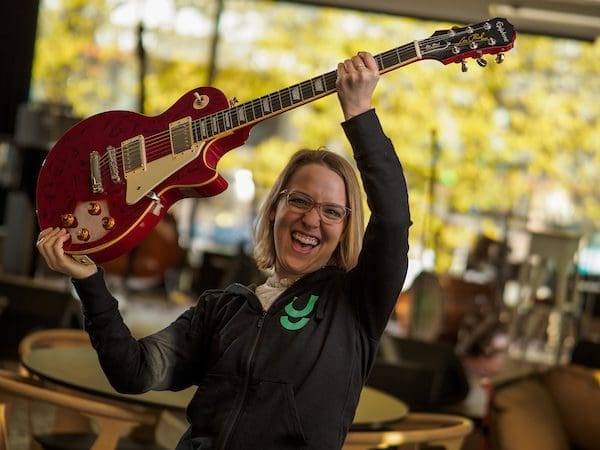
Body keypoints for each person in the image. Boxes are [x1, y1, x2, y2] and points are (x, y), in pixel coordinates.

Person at [37, 51, 411, 450]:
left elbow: (392, 222)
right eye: (300, 201)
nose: (311, 219)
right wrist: (90, 283)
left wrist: (359, 114)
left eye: (332, 211)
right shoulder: (222, 309)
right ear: (275, 210)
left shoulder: (355, 304)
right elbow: (135, 372)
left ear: (346, 228)